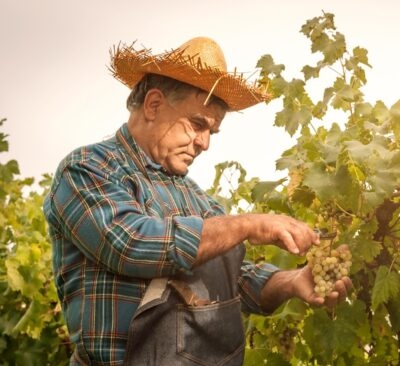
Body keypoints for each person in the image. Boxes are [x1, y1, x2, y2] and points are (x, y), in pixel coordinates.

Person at [43, 36, 352, 365]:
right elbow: (133, 244)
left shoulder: (196, 197)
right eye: (197, 124)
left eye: (212, 132)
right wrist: (248, 223)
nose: (204, 143)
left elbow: (237, 278)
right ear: (154, 105)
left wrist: (289, 281)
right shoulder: (88, 170)